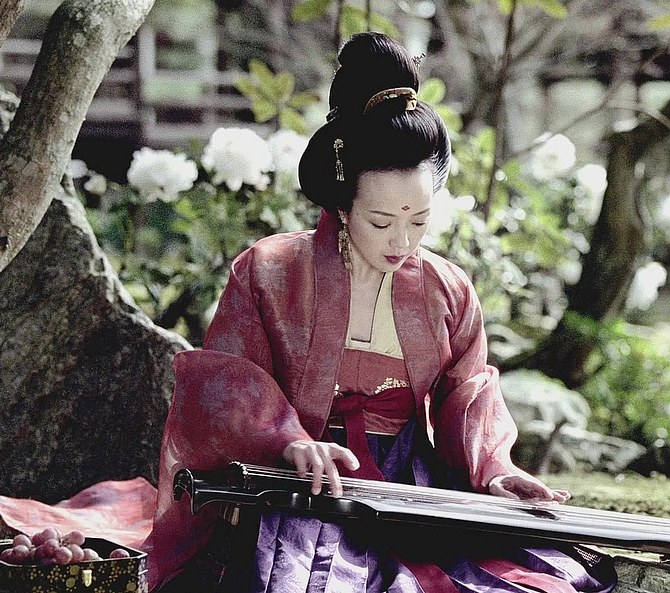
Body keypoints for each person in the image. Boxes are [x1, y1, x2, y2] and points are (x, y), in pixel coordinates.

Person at [142, 31, 617, 593]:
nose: (402, 241)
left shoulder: (447, 289)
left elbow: (468, 395)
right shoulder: (270, 271)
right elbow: (226, 383)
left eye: (419, 220)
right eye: (381, 220)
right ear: (343, 203)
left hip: (412, 482)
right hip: (305, 482)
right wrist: (286, 439)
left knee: (525, 580)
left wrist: (496, 470)